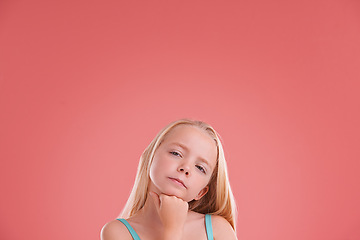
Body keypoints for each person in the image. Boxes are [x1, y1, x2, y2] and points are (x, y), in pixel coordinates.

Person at [101, 119, 237, 240]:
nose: (186, 168)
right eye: (176, 153)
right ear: (151, 156)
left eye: (200, 168)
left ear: (201, 192)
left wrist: (173, 228)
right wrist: (172, 229)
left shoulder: (217, 229)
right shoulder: (117, 232)